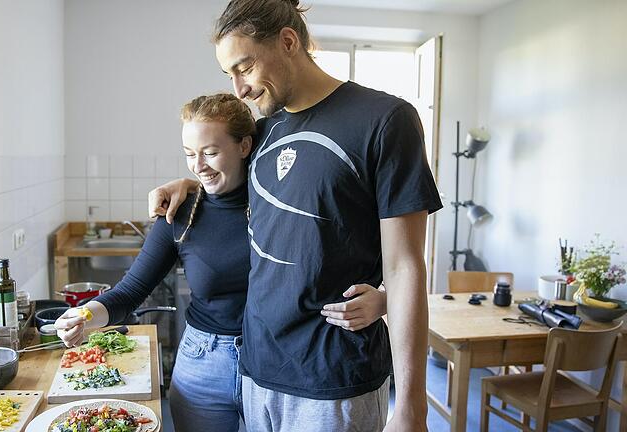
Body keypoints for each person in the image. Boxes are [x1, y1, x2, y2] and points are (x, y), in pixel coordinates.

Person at [149, 1, 443, 430]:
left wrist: (412, 407)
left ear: (289, 41)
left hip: (333, 379)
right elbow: (226, 182)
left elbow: (405, 265)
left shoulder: (384, 120)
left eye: (245, 67)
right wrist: (188, 184)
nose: (239, 89)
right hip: (257, 372)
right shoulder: (264, 133)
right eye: (228, 74)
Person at [54, 93, 387, 432]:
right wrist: (84, 316)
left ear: (244, 146)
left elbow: (351, 250)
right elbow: (132, 290)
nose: (198, 166)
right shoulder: (180, 213)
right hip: (204, 364)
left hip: (283, 360)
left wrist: (384, 296)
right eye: (189, 154)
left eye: (210, 152)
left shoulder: (280, 202)